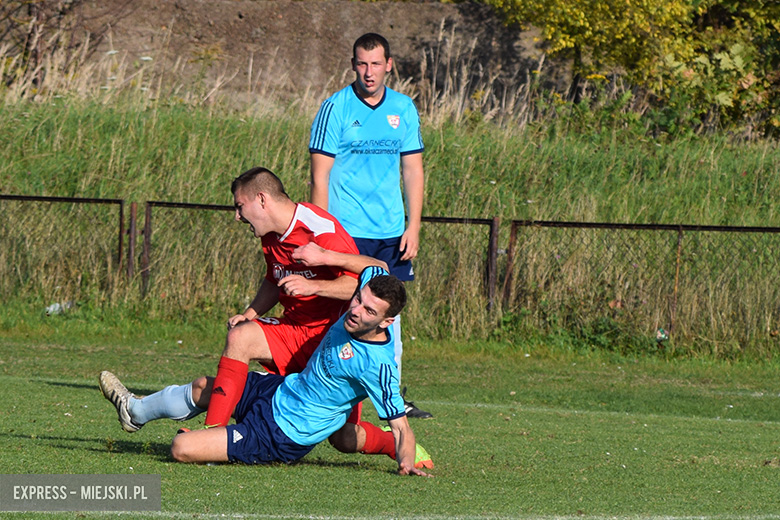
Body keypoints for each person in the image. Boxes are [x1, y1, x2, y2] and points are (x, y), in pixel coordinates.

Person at [99, 268, 433, 476]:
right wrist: (320, 258)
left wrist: (404, 459)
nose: (355, 310)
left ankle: (215, 445)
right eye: (357, 300)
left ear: (388, 321)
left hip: (284, 432)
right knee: (205, 386)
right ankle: (135, 411)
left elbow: (402, 428)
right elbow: (369, 266)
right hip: (281, 390)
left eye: (368, 309)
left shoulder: (379, 367)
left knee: (181, 449)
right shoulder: (366, 293)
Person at [309, 32, 431, 419]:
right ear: (353, 65)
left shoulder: (403, 108)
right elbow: (319, 177)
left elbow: (412, 169)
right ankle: (324, 386)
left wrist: (413, 226)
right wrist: (321, 230)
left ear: (389, 65)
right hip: (346, 232)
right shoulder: (336, 108)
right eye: (362, 63)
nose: (369, 72)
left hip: (391, 232)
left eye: (376, 64)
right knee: (343, 307)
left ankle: (391, 392)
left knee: (389, 312)